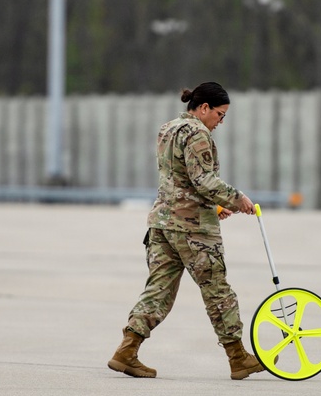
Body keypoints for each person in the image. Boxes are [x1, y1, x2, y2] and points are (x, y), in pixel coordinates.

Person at [108, 82, 265, 380]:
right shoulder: (197, 134)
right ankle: (238, 357)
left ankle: (126, 351)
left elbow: (179, 182)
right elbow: (203, 180)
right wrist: (236, 198)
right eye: (220, 114)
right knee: (217, 291)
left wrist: (214, 207)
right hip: (192, 229)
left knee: (158, 290)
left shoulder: (168, 128)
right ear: (203, 108)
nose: (220, 122)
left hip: (162, 223)